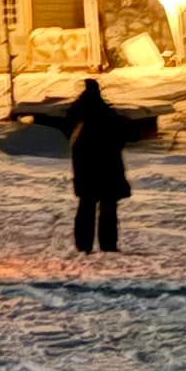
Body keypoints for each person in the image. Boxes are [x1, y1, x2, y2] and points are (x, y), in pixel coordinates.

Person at [67, 78, 133, 254]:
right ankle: (108, 244)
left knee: (86, 207)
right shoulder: (109, 117)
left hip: (87, 172)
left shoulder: (79, 121)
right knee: (108, 208)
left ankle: (84, 245)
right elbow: (121, 139)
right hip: (109, 170)